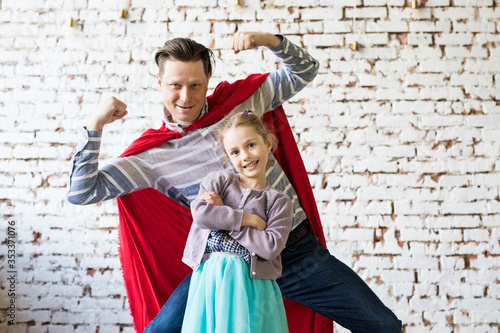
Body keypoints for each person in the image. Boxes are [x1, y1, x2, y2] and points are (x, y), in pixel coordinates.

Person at [67, 31, 402, 333]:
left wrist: (270, 41)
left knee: (384, 326)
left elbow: (305, 70)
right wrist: (95, 125)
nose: (186, 96)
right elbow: (82, 192)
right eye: (176, 85)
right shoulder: (152, 156)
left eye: (195, 84)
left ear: (208, 79)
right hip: (221, 268)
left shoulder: (243, 104)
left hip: (294, 254)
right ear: (159, 82)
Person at [180, 110, 292, 333]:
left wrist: (222, 215)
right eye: (235, 152)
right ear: (228, 158)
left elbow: (269, 246)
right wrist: (247, 220)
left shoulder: (279, 201)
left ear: (268, 144)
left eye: (251, 145)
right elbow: (202, 215)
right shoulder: (219, 181)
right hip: (210, 280)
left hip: (252, 286)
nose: (245, 156)